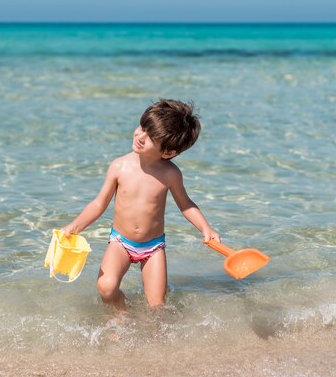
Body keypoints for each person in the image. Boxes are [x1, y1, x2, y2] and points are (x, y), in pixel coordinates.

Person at [61, 99, 220, 309]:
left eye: (150, 137)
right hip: (121, 242)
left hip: (153, 247)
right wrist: (75, 226)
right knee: (106, 287)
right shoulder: (119, 166)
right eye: (142, 127)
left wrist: (205, 228)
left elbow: (186, 204)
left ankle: (154, 337)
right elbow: (99, 203)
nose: (140, 136)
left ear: (168, 152)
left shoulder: (170, 174)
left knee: (157, 305)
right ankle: (121, 313)